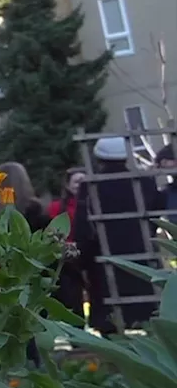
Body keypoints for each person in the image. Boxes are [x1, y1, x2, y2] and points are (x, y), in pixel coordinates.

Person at [73, 137, 159, 334]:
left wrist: (82, 261)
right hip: (140, 260)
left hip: (105, 262)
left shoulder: (92, 185)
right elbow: (154, 216)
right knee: (147, 323)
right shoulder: (144, 181)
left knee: (113, 327)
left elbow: (83, 228)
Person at [0, 162, 52, 364]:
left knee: (14, 328)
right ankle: (40, 366)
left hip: (9, 279)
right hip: (36, 278)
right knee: (36, 326)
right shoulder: (37, 210)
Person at [48, 167, 87, 319]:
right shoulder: (57, 207)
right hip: (69, 259)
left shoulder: (95, 204)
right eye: (77, 181)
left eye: (83, 181)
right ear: (68, 185)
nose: (80, 185)